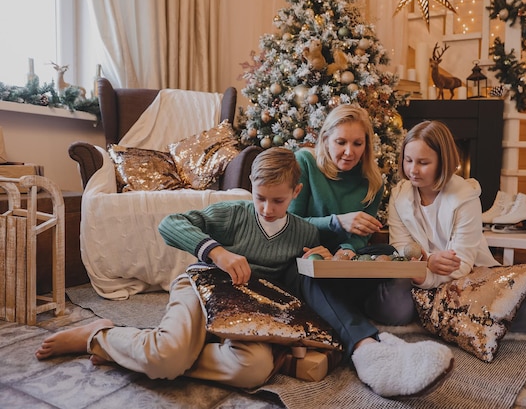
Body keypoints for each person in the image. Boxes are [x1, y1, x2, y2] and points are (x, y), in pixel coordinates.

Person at [35, 147, 453, 398]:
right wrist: (215, 252)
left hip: (247, 307)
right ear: (250, 189)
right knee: (166, 360)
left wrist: (335, 238)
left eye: (276, 200)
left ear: (296, 193)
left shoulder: (301, 229)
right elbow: (170, 225)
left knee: (251, 370)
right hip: (203, 286)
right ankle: (100, 335)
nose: (266, 209)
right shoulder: (234, 213)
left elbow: (324, 229)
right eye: (260, 198)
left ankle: (178, 350)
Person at [287, 104, 454, 397]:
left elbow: (361, 241)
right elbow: (288, 224)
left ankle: (364, 334)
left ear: (367, 145)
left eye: (357, 143)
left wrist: (348, 251)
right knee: (311, 276)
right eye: (341, 142)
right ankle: (370, 349)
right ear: (326, 138)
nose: (349, 152)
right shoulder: (305, 163)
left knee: (386, 248)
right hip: (303, 264)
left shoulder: (371, 182)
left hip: (341, 269)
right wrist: (336, 222)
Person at [387, 120, 526, 332]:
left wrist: (428, 272)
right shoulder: (399, 195)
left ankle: (440, 314)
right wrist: (427, 265)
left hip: (468, 278)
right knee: (391, 309)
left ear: (443, 162)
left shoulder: (465, 195)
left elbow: (461, 264)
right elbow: (400, 246)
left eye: (423, 163)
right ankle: (466, 318)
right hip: (420, 275)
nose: (413, 170)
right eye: (408, 160)